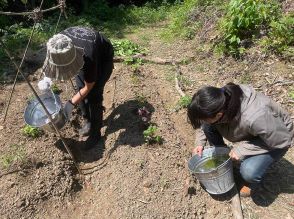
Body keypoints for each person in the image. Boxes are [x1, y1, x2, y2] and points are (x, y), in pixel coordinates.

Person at [187, 83, 293, 197]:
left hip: (278, 139)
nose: (203, 122)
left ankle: (252, 184)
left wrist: (241, 150)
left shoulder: (255, 116)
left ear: (218, 115)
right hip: (258, 131)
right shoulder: (219, 100)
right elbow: (202, 123)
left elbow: (281, 140)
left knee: (249, 171)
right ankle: (224, 158)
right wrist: (200, 143)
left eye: (205, 119)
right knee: (208, 126)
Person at [42, 26, 114, 150]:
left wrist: (70, 104)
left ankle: (95, 134)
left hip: (102, 57)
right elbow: (52, 61)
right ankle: (88, 121)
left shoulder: (89, 56)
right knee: (79, 88)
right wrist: (46, 79)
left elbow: (88, 87)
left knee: (94, 95)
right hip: (82, 55)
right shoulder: (58, 43)